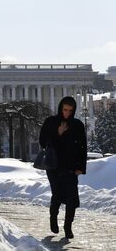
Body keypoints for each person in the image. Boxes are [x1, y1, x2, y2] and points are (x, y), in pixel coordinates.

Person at [39, 96, 87, 239]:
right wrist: (58, 133)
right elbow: (43, 142)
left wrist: (81, 167)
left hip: (71, 167)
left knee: (72, 198)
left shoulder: (78, 125)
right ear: (60, 108)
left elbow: (83, 148)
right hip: (54, 166)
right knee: (58, 194)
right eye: (65, 109)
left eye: (70, 110)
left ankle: (68, 226)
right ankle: (53, 217)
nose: (67, 113)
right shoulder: (51, 122)